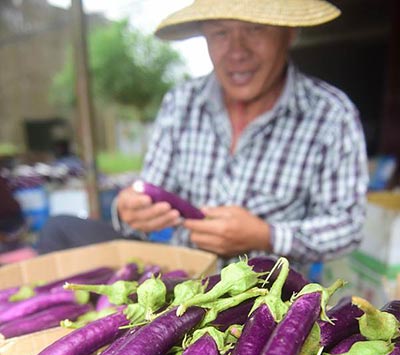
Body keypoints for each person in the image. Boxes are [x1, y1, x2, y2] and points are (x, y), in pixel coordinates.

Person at [37, 0, 369, 274]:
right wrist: (132, 211)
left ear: (289, 33)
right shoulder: (182, 101)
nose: (237, 51)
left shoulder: (329, 114)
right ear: (205, 37)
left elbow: (347, 227)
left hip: (264, 290)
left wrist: (266, 235)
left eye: (256, 29)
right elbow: (152, 196)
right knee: (59, 229)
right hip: (179, 270)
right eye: (221, 33)